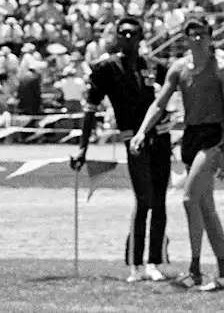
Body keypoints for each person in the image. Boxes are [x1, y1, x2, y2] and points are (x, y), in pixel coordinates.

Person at [130, 18, 224, 290]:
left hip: (213, 135)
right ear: (186, 39)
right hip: (190, 137)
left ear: (211, 37)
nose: (198, 39)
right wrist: (143, 130)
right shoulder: (178, 69)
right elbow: (159, 102)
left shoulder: (222, 70)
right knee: (206, 207)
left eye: (202, 34)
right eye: (193, 35)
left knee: (189, 199)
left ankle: (195, 269)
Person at [71, 17, 171, 283]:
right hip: (132, 138)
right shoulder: (104, 69)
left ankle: (154, 261)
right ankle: (136, 264)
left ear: (141, 38)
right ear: (116, 37)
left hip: (160, 136)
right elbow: (90, 109)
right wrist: (83, 147)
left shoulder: (156, 66)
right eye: (122, 33)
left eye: (133, 34)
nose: (127, 38)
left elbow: (176, 90)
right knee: (144, 200)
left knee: (160, 201)